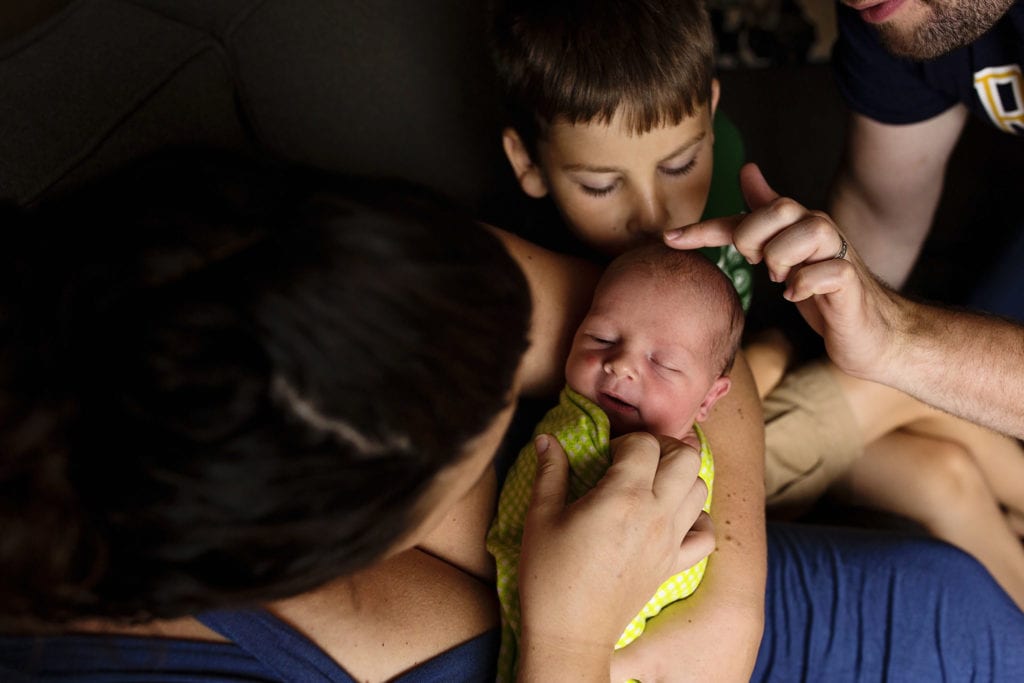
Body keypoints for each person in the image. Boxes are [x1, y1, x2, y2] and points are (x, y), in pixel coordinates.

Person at [2, 150, 1023, 682]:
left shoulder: (328, 273)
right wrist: (566, 637)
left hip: (825, 606)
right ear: (336, 551)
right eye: (481, 442)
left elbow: (689, 329)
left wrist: (732, 602)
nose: (558, 391)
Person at [491, 0, 1024, 612]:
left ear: (711, 119)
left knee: (941, 478)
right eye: (600, 186)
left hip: (750, 413)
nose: (655, 211)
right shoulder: (542, 259)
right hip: (675, 463)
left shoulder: (723, 190)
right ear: (528, 162)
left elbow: (750, 331)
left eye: (680, 164)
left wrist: (776, 346)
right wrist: (763, 365)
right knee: (907, 395)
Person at [488, 244, 744, 680]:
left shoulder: (681, 462)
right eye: (601, 338)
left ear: (709, 399)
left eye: (663, 364)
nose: (620, 364)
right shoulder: (576, 413)